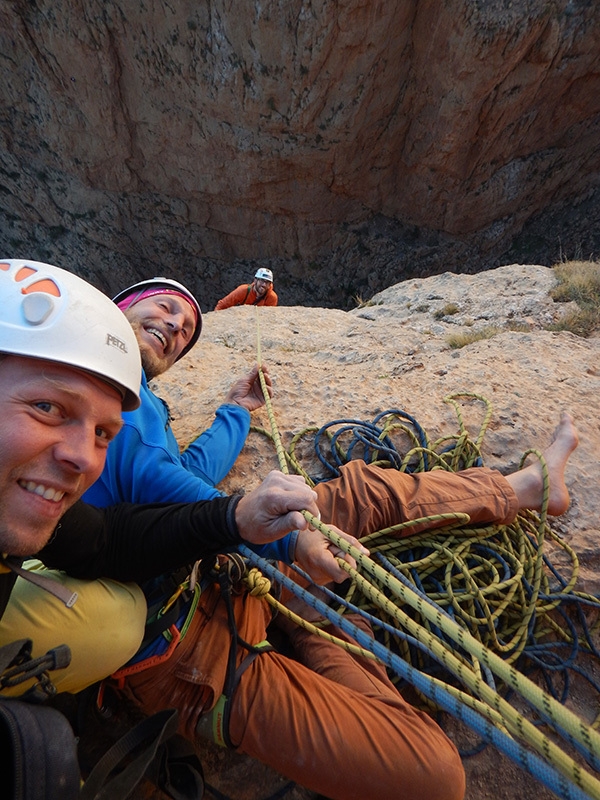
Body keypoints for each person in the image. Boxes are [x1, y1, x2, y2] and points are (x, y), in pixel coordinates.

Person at [0, 259, 580, 799]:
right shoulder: (99, 395)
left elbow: (178, 475)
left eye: (184, 328)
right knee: (430, 772)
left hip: (212, 561)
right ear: (117, 310)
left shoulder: (132, 405)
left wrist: (236, 414)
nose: (175, 325)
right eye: (162, 309)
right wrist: (279, 536)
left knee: (363, 489)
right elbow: (156, 479)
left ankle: (527, 489)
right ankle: (315, 623)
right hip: (185, 657)